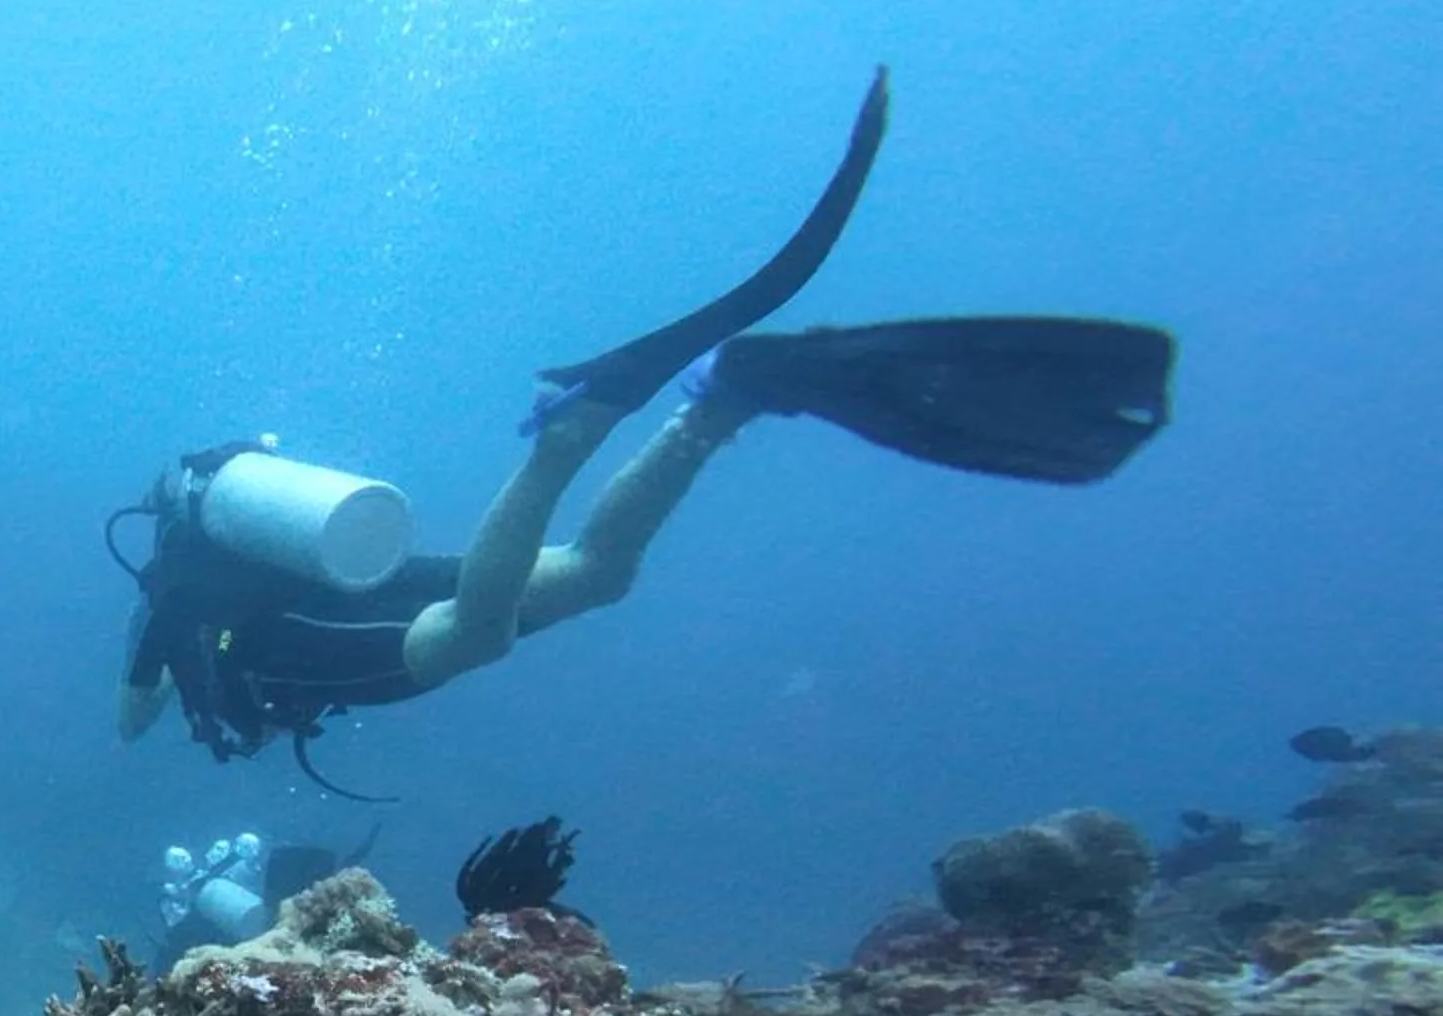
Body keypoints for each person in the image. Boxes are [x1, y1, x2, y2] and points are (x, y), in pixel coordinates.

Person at [110, 71, 1178, 799]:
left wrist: (145, 679)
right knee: (594, 576)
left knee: (473, 636)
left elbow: (131, 724)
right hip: (341, 584)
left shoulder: (173, 596)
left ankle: (562, 441)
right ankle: (721, 404)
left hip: (311, 643)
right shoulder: (212, 568)